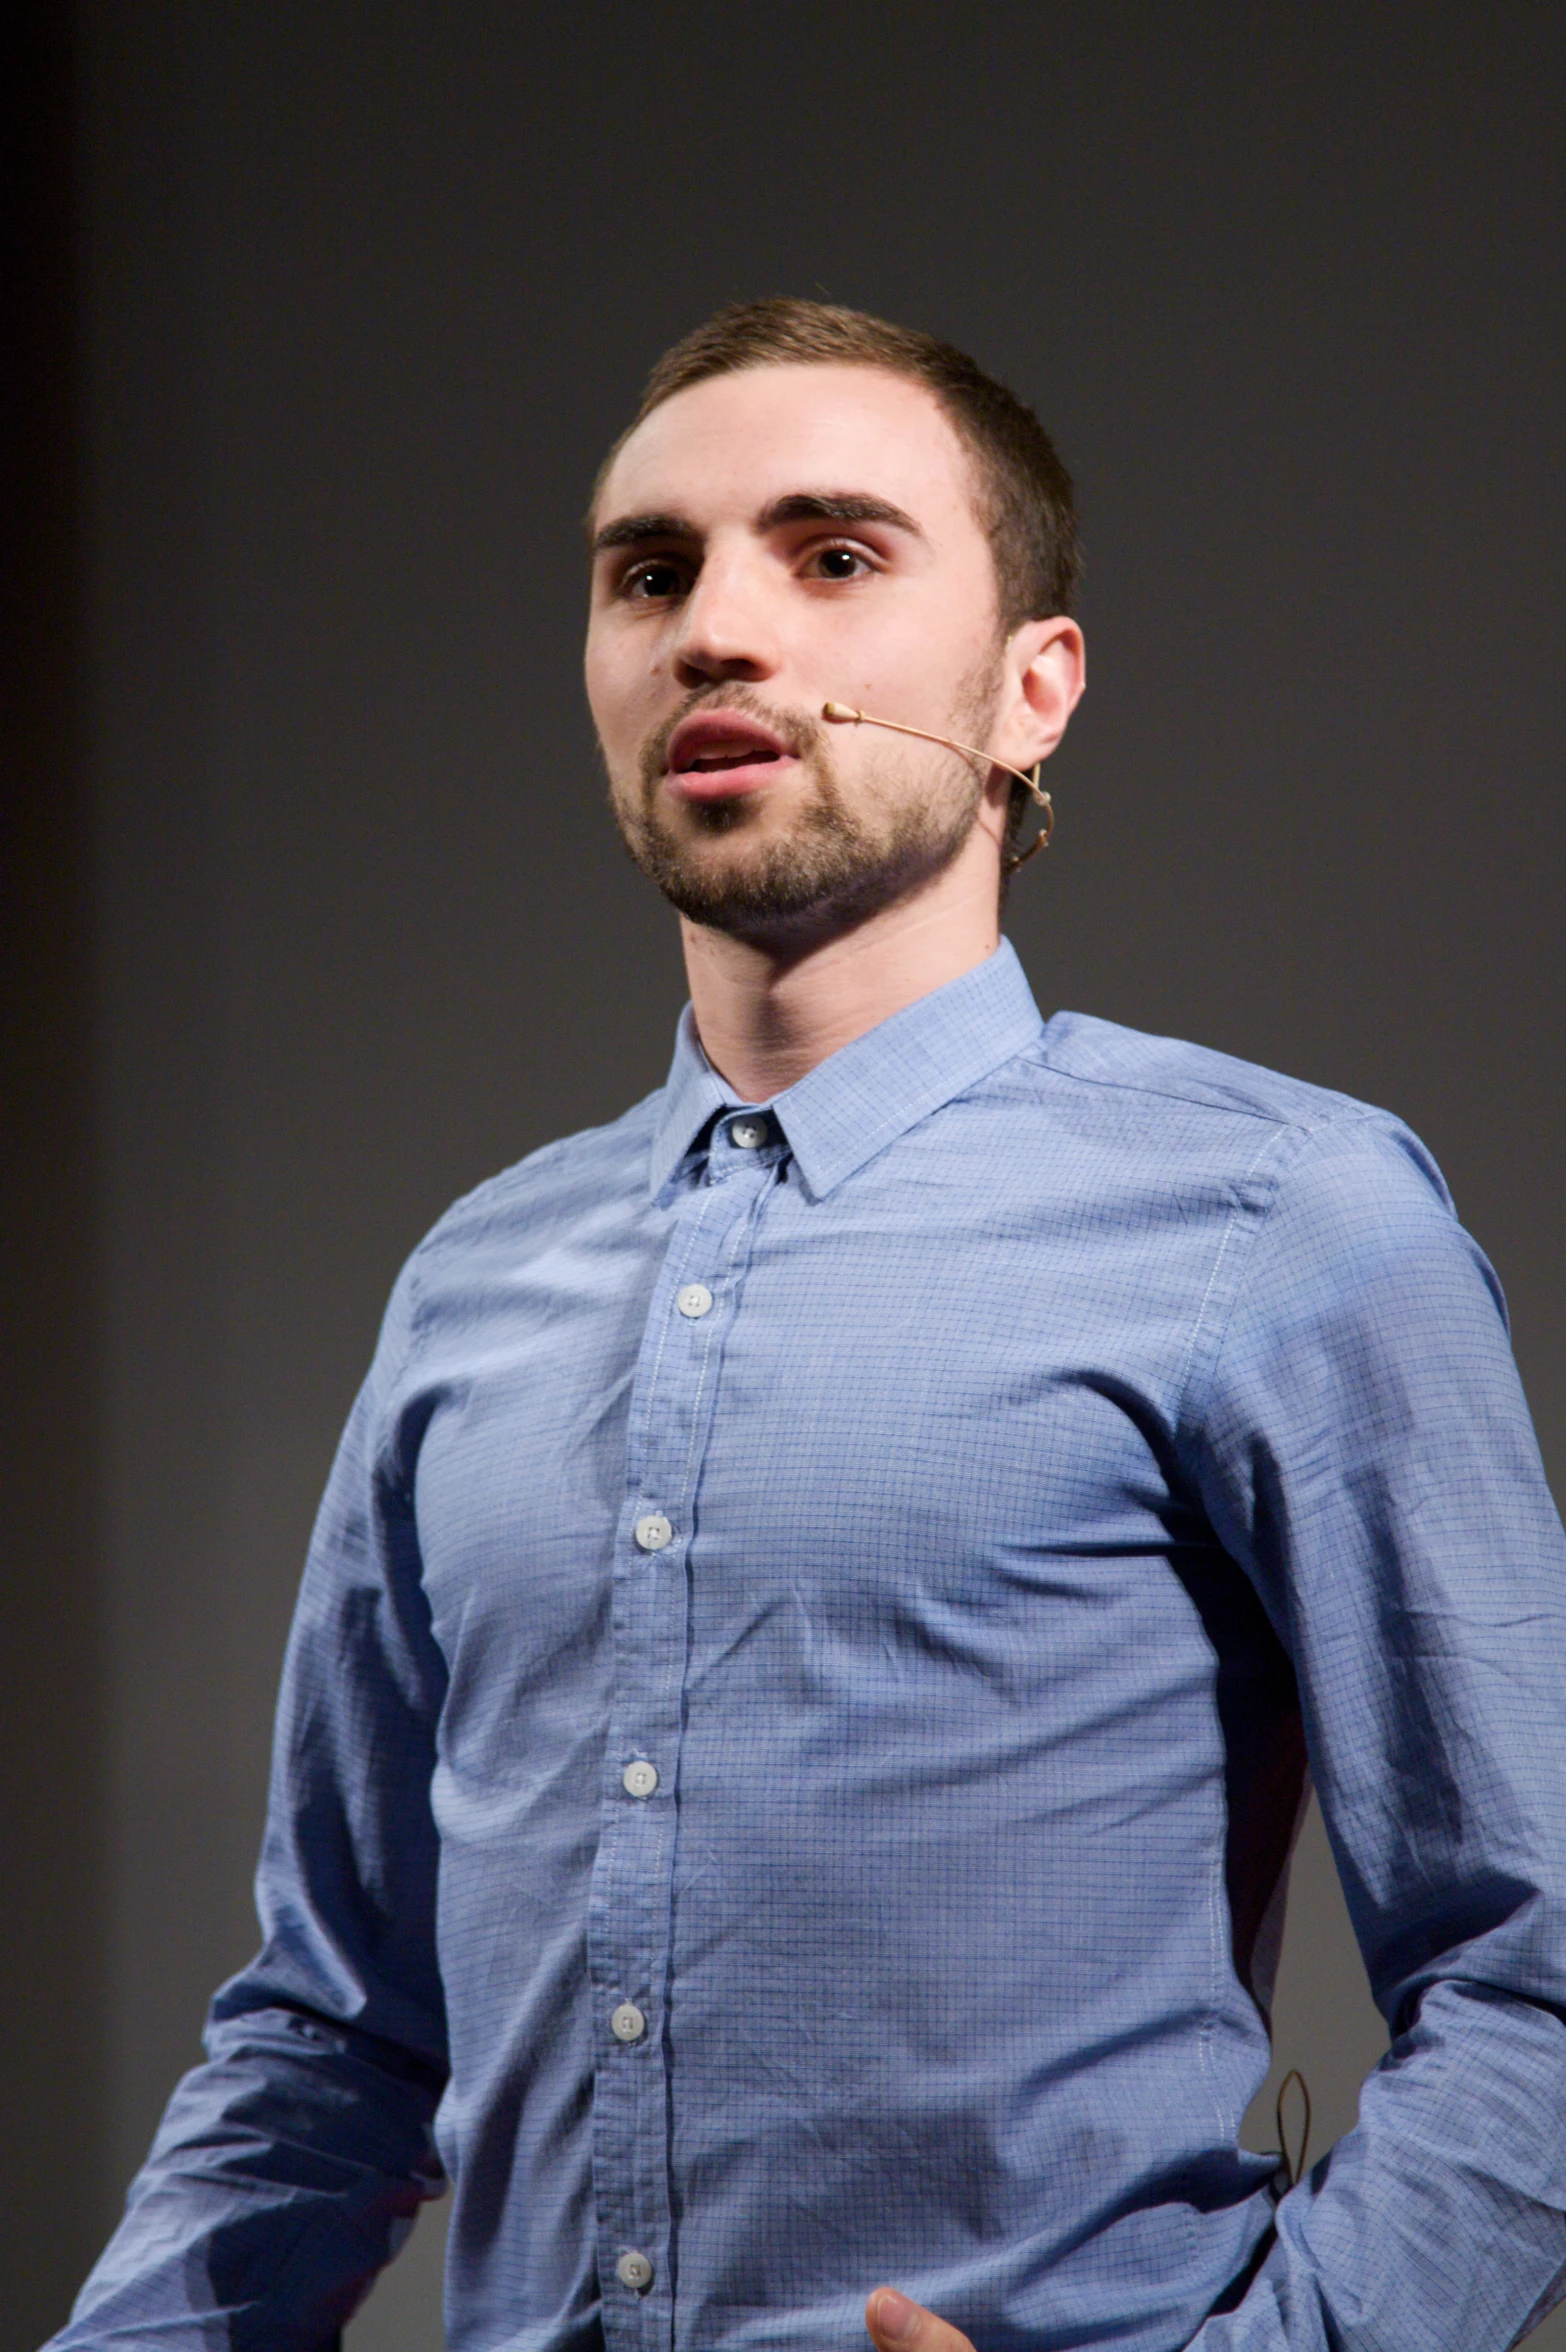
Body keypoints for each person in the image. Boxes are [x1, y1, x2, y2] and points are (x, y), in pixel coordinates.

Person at [52, 300, 1566, 2352]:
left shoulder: (1287, 1220)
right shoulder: (471, 1286)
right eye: (649, 574)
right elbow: (331, 2043)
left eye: (834, 555)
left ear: (1035, 692)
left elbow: (1536, 1980)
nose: (714, 631)